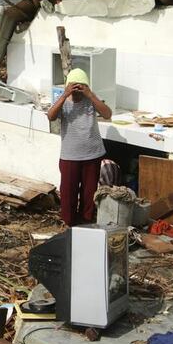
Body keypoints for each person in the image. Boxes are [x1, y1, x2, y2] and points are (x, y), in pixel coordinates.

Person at [47, 68, 112, 226]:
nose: (77, 92)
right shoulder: (63, 102)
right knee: (68, 192)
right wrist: (64, 95)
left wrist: (90, 94)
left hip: (92, 153)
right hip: (70, 155)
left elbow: (107, 114)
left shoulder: (90, 100)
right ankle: (69, 222)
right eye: (74, 88)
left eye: (80, 88)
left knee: (89, 193)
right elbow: (51, 116)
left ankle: (86, 221)